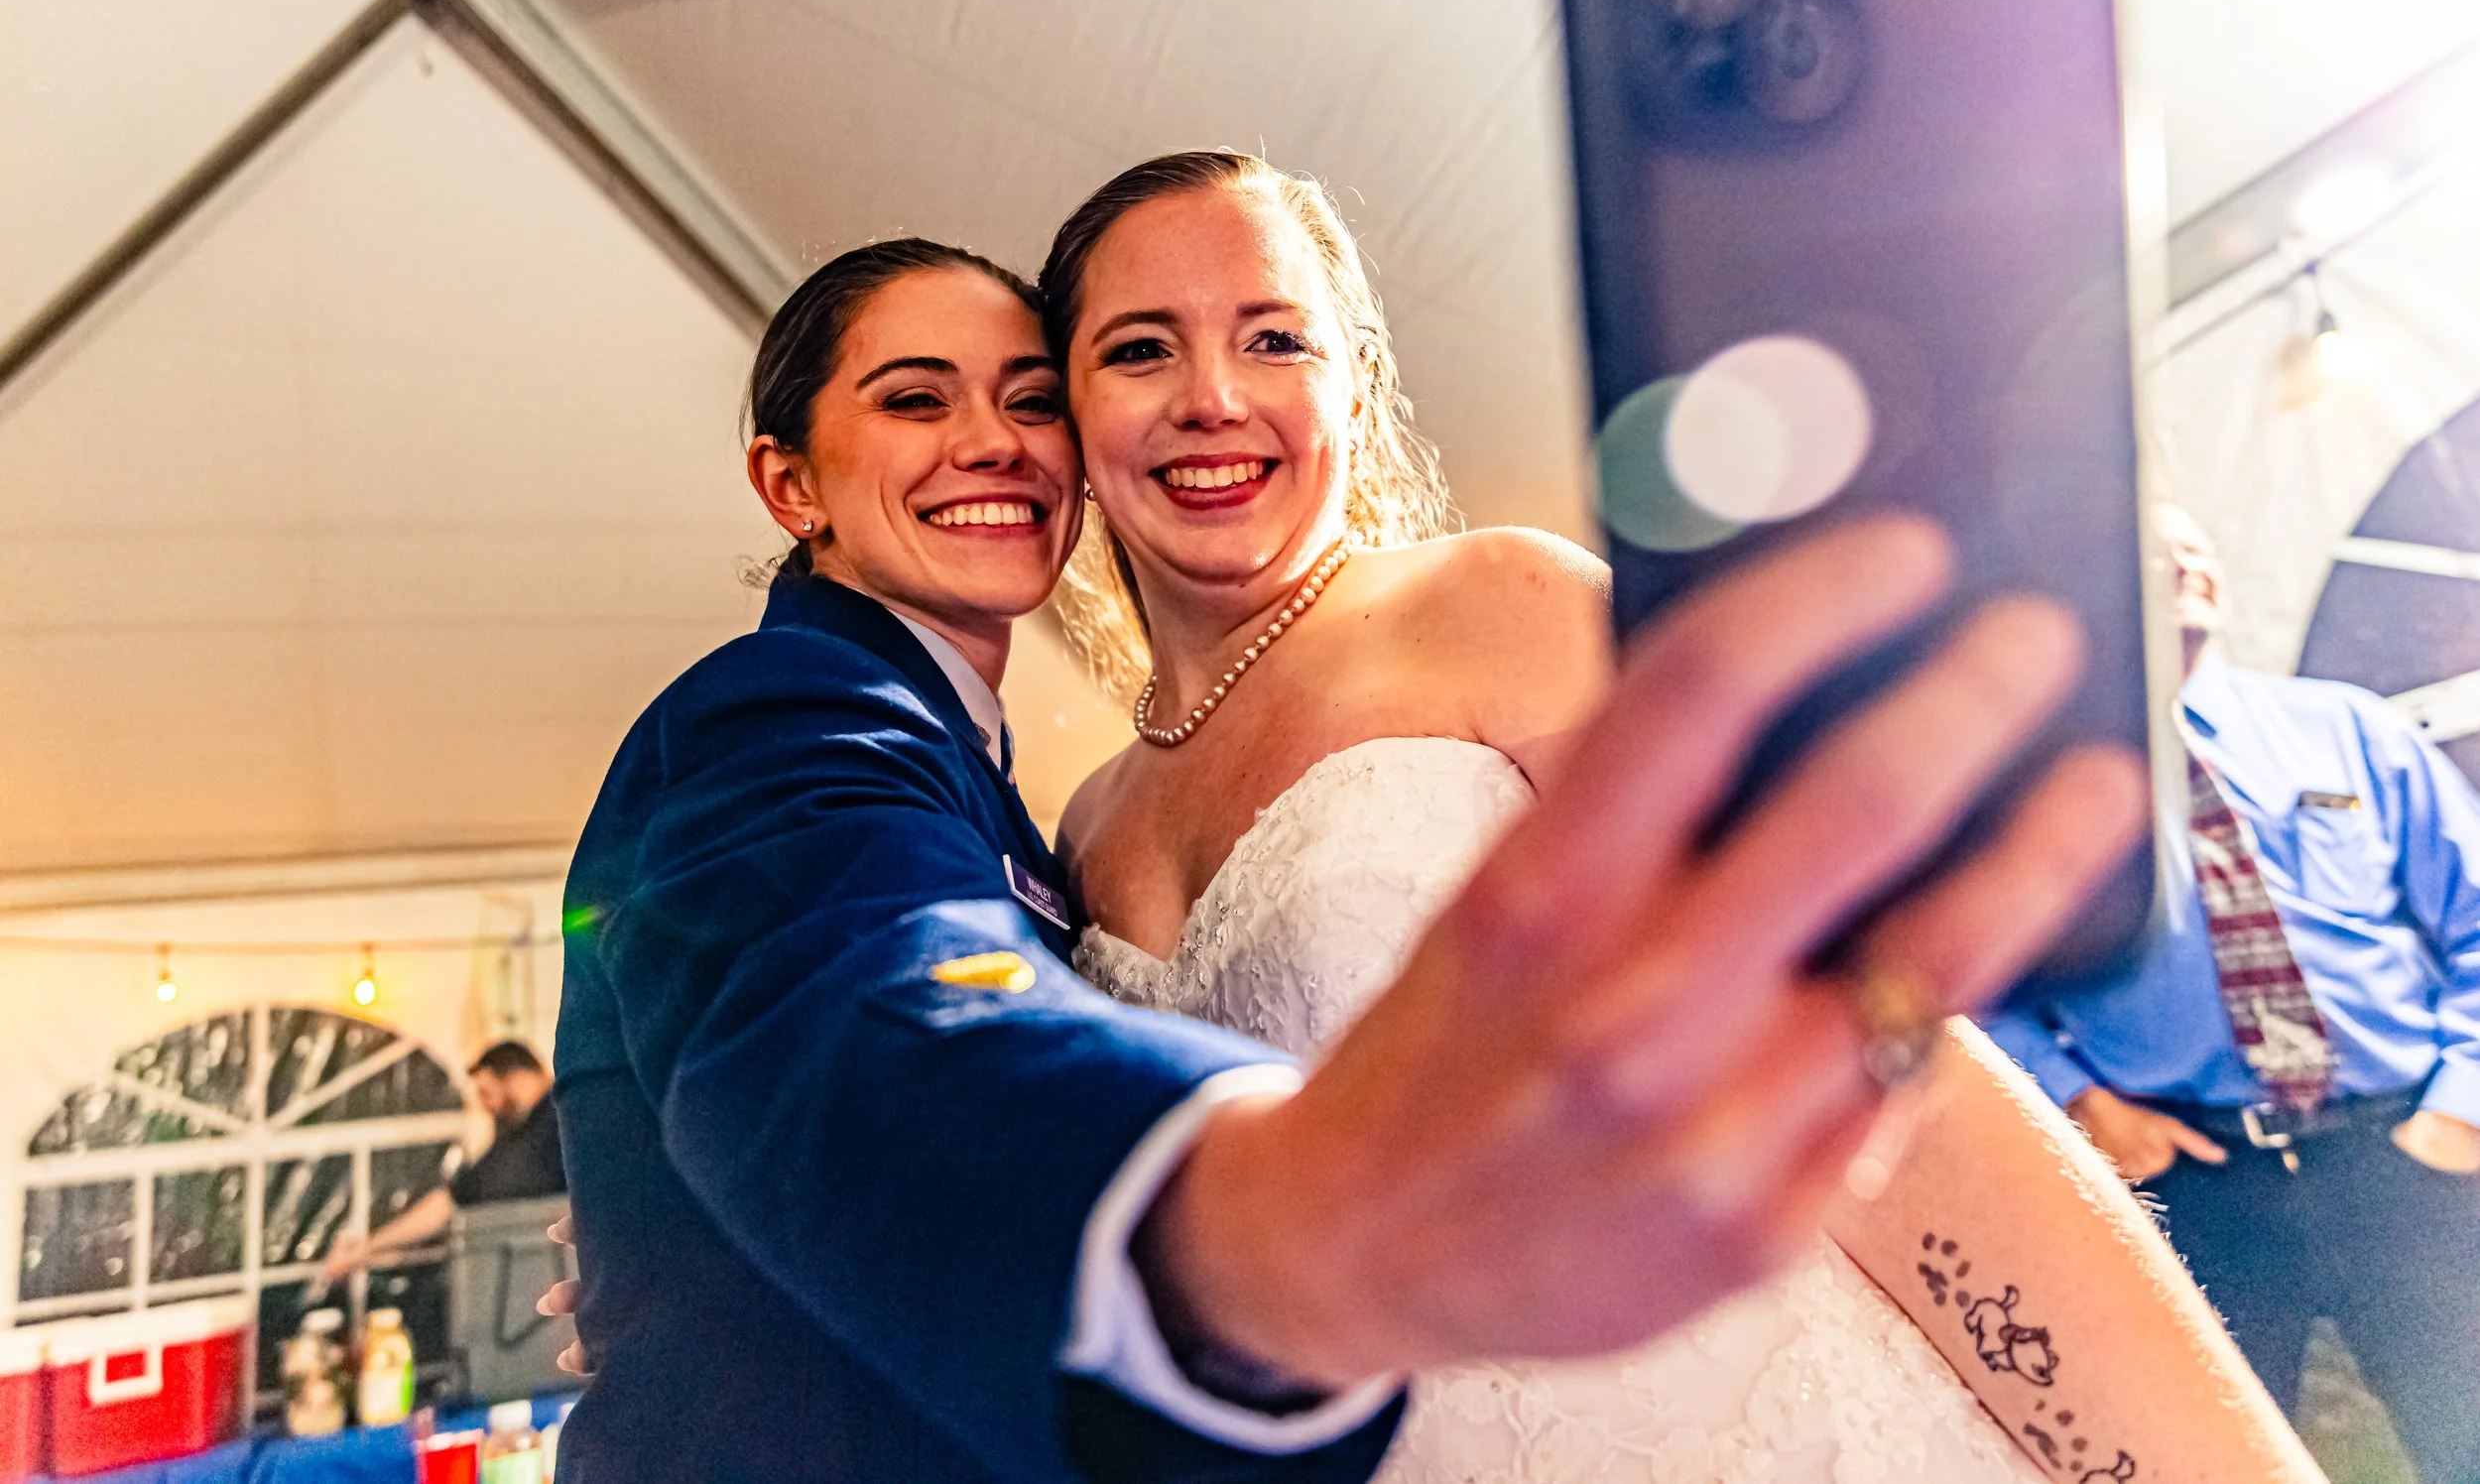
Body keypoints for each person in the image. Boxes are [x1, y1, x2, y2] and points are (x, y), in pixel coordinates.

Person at [551, 232, 2152, 1484]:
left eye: (1024, 394)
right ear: (789, 482)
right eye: (915, 398)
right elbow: (857, 995)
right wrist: (1253, 1230)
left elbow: (1890, 1071)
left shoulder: (1464, 619)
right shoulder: (796, 711)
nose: (997, 441)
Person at [1050, 151, 2318, 1482]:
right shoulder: (1083, 827)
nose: (1214, 397)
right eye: (1142, 348)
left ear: (1351, 381)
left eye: (1274, 337)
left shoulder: (1496, 607)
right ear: (1063, 407)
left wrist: (2194, 1463)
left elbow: (1894, 1062)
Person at [1988, 503, 2480, 1481]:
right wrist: (2073, 1098)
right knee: (2197, 1456)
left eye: (2193, 539)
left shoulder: (2343, 727)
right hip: (2190, 1175)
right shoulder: (2031, 776)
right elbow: (1970, 972)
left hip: (2402, 1154)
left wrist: (2465, 1097)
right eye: (2146, 540)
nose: (2182, 554)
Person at [322, 1041, 564, 1286]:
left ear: (515, 1080)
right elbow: (456, 1198)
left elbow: (452, 1202)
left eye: (486, 1093)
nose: (484, 1106)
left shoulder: (554, 1127)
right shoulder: (522, 1136)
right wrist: (369, 1248)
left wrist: (367, 1248)